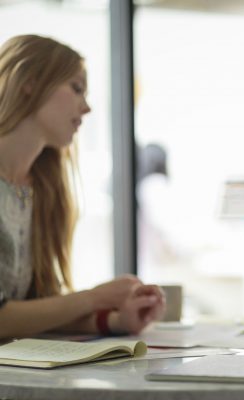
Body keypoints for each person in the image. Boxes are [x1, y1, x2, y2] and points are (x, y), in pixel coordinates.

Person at [0, 34, 165, 339]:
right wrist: (94, 298)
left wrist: (117, 320)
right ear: (30, 83)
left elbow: (32, 310)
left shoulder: (43, 190)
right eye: (76, 88)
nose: (86, 108)